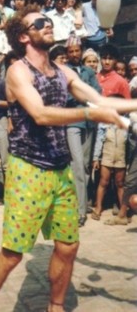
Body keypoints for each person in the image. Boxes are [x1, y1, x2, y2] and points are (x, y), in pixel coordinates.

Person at [0, 5, 137, 312]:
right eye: (40, 23)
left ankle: (56, 306)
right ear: (24, 35)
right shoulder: (17, 71)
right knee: (13, 255)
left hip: (60, 169)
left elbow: (101, 99)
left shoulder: (63, 71)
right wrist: (90, 114)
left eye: (49, 21)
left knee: (68, 245)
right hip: (28, 171)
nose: (48, 25)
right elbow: (41, 114)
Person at [65, 36, 101, 227]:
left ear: (81, 51)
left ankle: (81, 200)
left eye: (76, 50)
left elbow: (97, 93)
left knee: (86, 166)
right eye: (70, 51)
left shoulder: (88, 71)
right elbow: (66, 96)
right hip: (72, 121)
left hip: (89, 122)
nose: (74, 54)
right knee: (77, 164)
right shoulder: (63, 71)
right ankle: (79, 211)